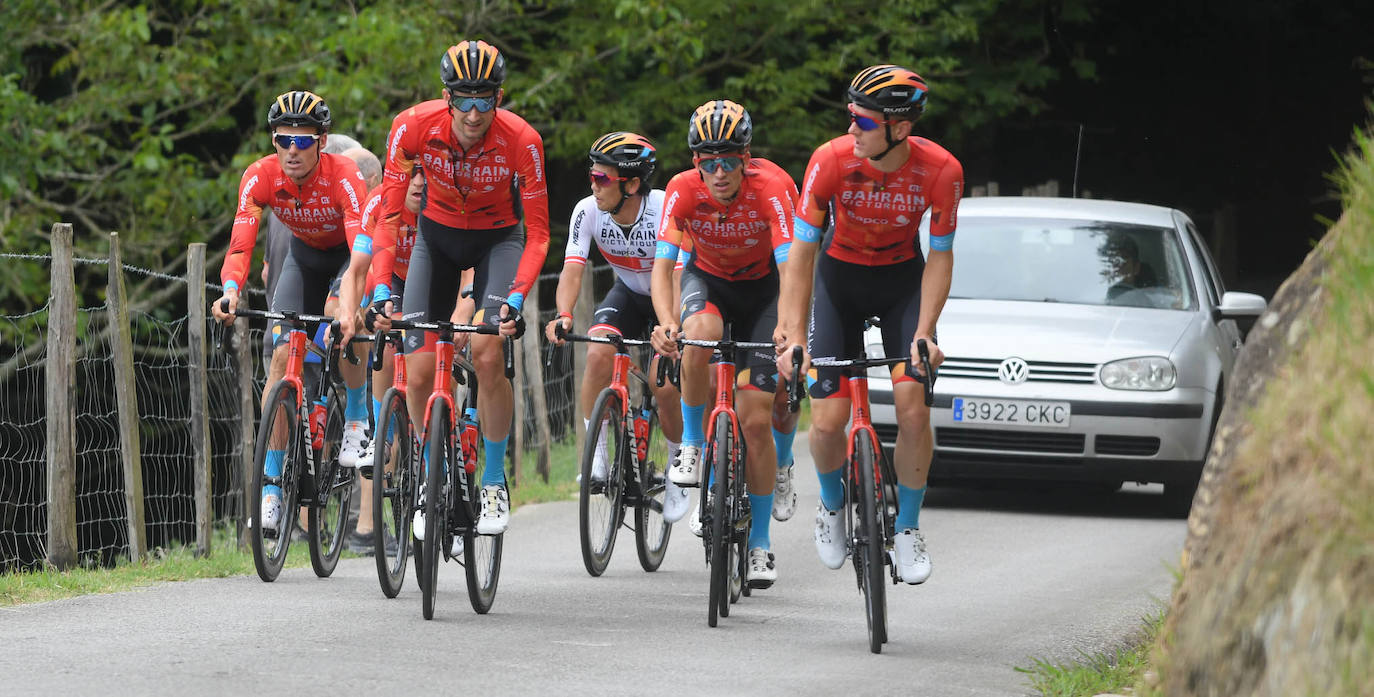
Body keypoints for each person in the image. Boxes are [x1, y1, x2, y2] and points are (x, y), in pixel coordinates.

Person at [776, 64, 963, 585]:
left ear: (899, 128)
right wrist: (791, 333)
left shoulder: (942, 171)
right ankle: (832, 506)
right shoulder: (829, 161)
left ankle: (906, 527)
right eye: (850, 116)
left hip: (902, 283)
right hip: (839, 285)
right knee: (830, 420)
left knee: (913, 411)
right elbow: (802, 254)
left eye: (863, 120)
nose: (851, 128)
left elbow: (942, 257)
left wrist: (926, 331)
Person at [360, 40, 550, 537]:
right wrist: (381, 288)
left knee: (488, 354)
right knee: (418, 371)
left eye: (484, 100)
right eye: (462, 99)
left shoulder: (522, 140)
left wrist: (515, 299)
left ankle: (491, 478)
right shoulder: (412, 126)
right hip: (435, 241)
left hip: (498, 243)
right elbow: (389, 216)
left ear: (499, 97)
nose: (472, 112)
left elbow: (540, 235)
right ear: (446, 97)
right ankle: (427, 473)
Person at [649, 99, 802, 588]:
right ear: (696, 162)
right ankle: (693, 443)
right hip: (708, 283)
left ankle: (759, 545)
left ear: (746, 156)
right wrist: (668, 321)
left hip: (763, 293)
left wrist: (790, 327)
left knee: (756, 421)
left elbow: (790, 267)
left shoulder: (773, 187)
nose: (718, 173)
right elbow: (662, 265)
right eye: (708, 162)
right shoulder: (681, 190)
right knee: (698, 335)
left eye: (729, 161)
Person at [211, 90, 373, 532]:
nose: (292, 151)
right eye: (284, 140)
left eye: (303, 141)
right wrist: (230, 291)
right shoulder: (259, 176)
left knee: (345, 320)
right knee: (282, 357)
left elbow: (362, 244)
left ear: (322, 141)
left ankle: (357, 415)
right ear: (273, 142)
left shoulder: (345, 175)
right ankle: (271, 486)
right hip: (305, 259)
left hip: (347, 259)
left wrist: (350, 303)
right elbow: (241, 242)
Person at [544, 132, 690, 523]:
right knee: (597, 351)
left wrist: (671, 328)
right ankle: (600, 457)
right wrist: (563, 314)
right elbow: (572, 268)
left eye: (603, 178)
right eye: (592, 176)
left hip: (670, 295)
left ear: (632, 184)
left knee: (664, 382)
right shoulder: (587, 210)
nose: (593, 185)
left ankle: (679, 469)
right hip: (628, 292)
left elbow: (675, 278)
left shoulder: (665, 209)